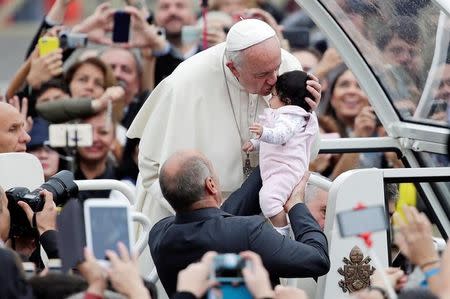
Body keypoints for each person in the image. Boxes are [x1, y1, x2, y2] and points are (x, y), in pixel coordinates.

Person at [127, 18, 321, 241]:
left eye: (276, 68)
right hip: (195, 223)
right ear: (233, 67)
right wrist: (206, 216)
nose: (274, 80)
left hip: (267, 212)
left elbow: (307, 152)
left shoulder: (287, 67)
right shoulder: (185, 82)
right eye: (261, 75)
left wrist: (308, 114)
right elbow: (152, 166)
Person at [149, 150, 330, 297]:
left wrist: (271, 164)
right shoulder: (248, 232)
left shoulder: (159, 233)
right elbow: (317, 259)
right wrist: (297, 205)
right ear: (211, 185)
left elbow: (222, 217)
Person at [242, 70, 318, 235]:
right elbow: (273, 144)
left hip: (286, 169)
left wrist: (263, 132)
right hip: (278, 169)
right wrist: (255, 144)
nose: (270, 98)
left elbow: (281, 135)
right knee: (270, 199)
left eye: (274, 95)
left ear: (287, 101)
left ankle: (282, 232)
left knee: (269, 199)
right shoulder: (283, 115)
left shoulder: (291, 117)